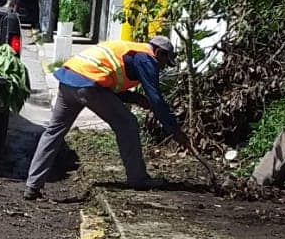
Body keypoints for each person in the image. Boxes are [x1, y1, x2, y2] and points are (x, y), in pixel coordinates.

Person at [24, 34, 189, 200]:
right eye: (164, 63)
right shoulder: (147, 59)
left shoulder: (131, 50)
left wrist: (136, 99)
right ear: (159, 53)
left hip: (69, 78)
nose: (162, 68)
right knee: (128, 124)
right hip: (88, 84)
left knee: (53, 132)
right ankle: (138, 178)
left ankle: (33, 186)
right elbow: (157, 99)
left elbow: (110, 85)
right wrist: (175, 131)